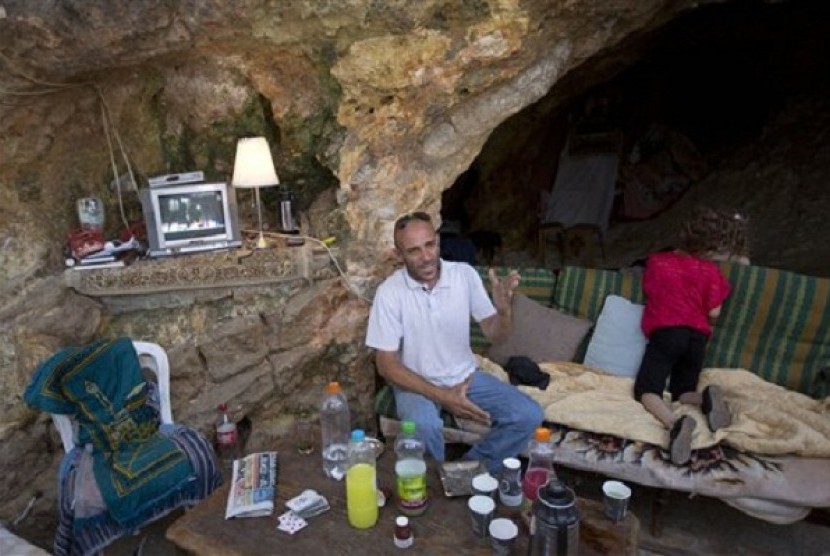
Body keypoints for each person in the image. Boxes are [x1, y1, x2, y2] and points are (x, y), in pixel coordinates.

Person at [366, 212, 543, 475]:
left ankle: (467, 471)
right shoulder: (390, 293)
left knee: (528, 415)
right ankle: (435, 486)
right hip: (414, 383)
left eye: (430, 245)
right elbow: (386, 365)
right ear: (399, 254)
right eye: (413, 251)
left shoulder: (464, 275)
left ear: (437, 240)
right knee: (424, 424)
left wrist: (504, 312)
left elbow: (496, 334)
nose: (426, 256)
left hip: (465, 377)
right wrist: (445, 398)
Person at [633, 206, 734, 466]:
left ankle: (674, 423)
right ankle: (705, 399)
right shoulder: (710, 272)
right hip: (697, 339)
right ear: (710, 248)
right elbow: (714, 311)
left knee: (647, 389)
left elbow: (651, 291)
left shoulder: (657, 262)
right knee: (682, 391)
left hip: (667, 333)